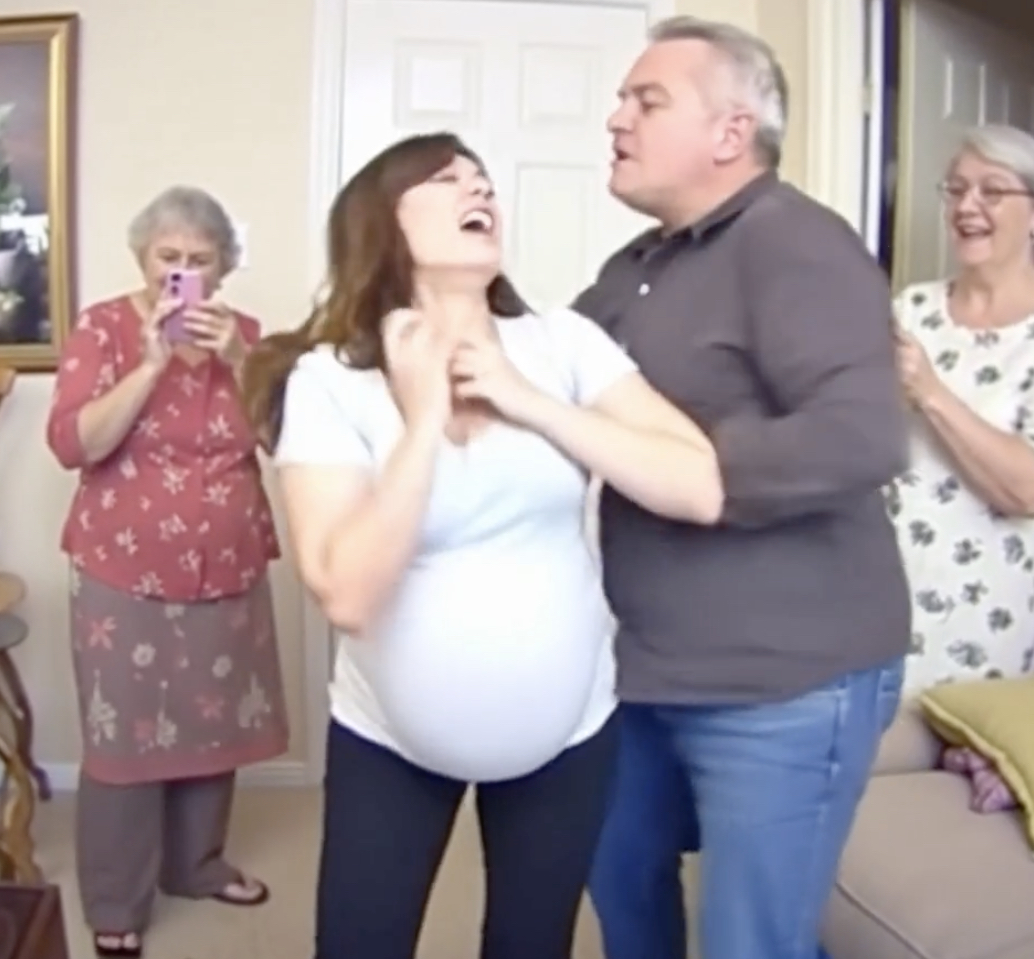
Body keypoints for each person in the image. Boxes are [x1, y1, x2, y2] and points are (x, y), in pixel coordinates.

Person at [240, 131, 724, 959]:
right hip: (388, 738)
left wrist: (528, 400)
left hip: (570, 733)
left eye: (484, 178)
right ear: (381, 223)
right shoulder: (330, 379)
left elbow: (699, 486)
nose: (480, 189)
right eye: (446, 178)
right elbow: (348, 593)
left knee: (531, 945)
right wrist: (423, 417)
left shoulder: (563, 344)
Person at [573, 17, 911, 959]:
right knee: (620, 889)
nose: (616, 119)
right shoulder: (632, 271)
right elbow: (545, 382)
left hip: (784, 681)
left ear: (731, 132)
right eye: (622, 99)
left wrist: (696, 472)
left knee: (750, 941)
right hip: (640, 666)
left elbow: (861, 434)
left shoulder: (798, 244)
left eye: (647, 101)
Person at [46, 186, 289, 959]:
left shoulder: (247, 337)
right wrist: (152, 365)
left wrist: (240, 361)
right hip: (123, 566)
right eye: (168, 256)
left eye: (199, 258)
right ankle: (116, 897)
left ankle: (197, 865)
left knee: (213, 722)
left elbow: (287, 440)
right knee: (124, 735)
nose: (180, 271)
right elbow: (75, 443)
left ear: (223, 268)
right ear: (142, 257)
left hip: (228, 562)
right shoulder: (103, 329)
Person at [890, 123, 1034, 690]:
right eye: (956, 189)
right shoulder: (911, 309)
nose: (967, 206)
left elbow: (1027, 491)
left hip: (990, 619)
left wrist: (931, 393)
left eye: (992, 190)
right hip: (883, 599)